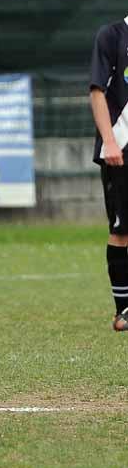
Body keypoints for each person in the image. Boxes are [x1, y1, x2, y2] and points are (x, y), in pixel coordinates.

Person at [89, 17, 128, 331]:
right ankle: (123, 311)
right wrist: (110, 140)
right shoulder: (113, 35)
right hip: (122, 146)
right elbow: (98, 91)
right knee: (122, 230)